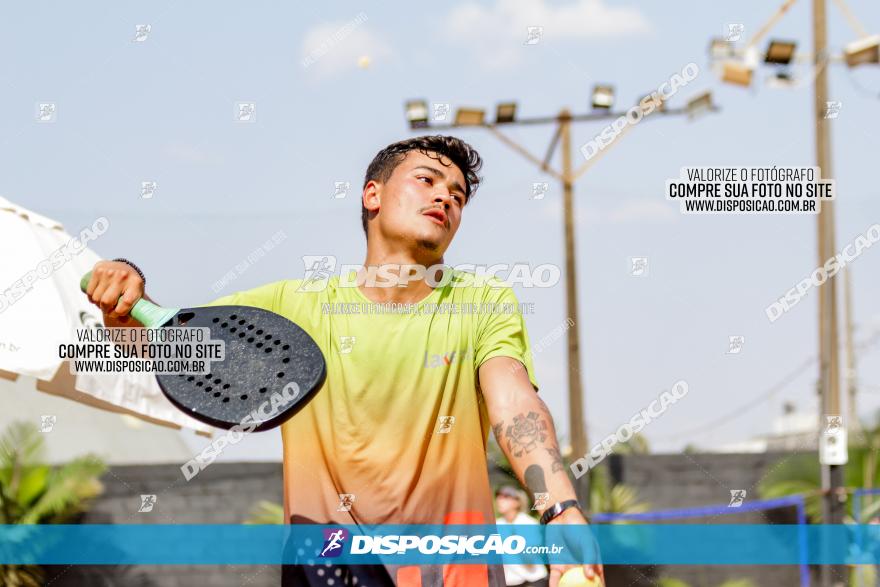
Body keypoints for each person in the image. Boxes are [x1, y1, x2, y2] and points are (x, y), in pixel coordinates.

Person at [84, 135, 604, 586]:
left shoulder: (483, 301)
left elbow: (514, 401)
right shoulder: (294, 306)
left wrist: (559, 508)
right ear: (371, 195)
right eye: (426, 180)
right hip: (325, 567)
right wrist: (123, 290)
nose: (446, 196)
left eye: (458, 195)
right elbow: (165, 344)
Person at [495, 486, 549, 587]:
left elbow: (529, 560)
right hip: (511, 583)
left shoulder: (529, 523)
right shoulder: (497, 525)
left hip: (534, 581)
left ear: (517, 502)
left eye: (505, 496)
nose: (499, 500)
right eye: (498, 496)